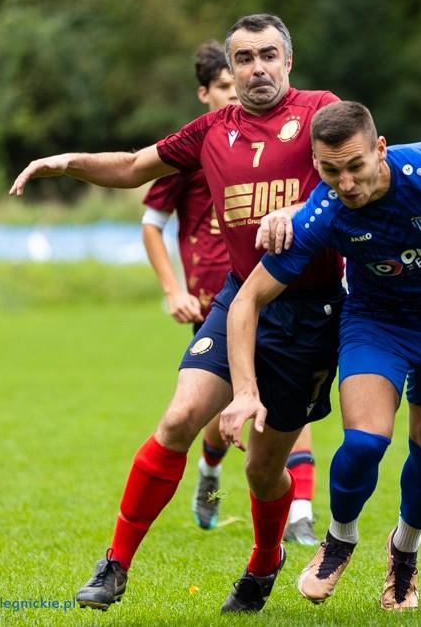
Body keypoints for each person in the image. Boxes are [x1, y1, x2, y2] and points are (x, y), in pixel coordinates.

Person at [10, 13, 345, 613]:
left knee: (266, 470)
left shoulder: (321, 110)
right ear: (231, 69)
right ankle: (114, 564)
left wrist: (303, 216)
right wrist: (69, 163)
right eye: (244, 59)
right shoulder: (213, 130)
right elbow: (136, 167)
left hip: (310, 315)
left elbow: (358, 175)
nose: (257, 68)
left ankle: (265, 560)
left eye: (268, 55)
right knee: (179, 418)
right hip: (238, 299)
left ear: (288, 62)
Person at [219, 100, 421, 611]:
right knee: (364, 442)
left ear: (380, 150)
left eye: (356, 166)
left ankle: (404, 553)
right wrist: (246, 391)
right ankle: (339, 539)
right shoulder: (324, 211)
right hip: (374, 323)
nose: (345, 183)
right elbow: (246, 301)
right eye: (329, 170)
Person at [140, 40, 319, 544]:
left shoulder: (289, 135)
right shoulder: (196, 148)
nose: (232, 93)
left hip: (281, 291)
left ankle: (301, 512)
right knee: (221, 417)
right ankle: (211, 477)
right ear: (207, 92)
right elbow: (152, 223)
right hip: (216, 297)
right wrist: (172, 289)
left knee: (289, 406)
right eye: (222, 85)